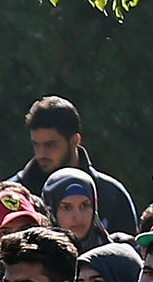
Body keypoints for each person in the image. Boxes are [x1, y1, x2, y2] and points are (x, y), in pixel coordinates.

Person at [13, 97, 139, 236]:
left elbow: (130, 253)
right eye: (36, 144)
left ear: (74, 141)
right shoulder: (15, 196)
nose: (41, 154)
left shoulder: (111, 195)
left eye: (50, 144)